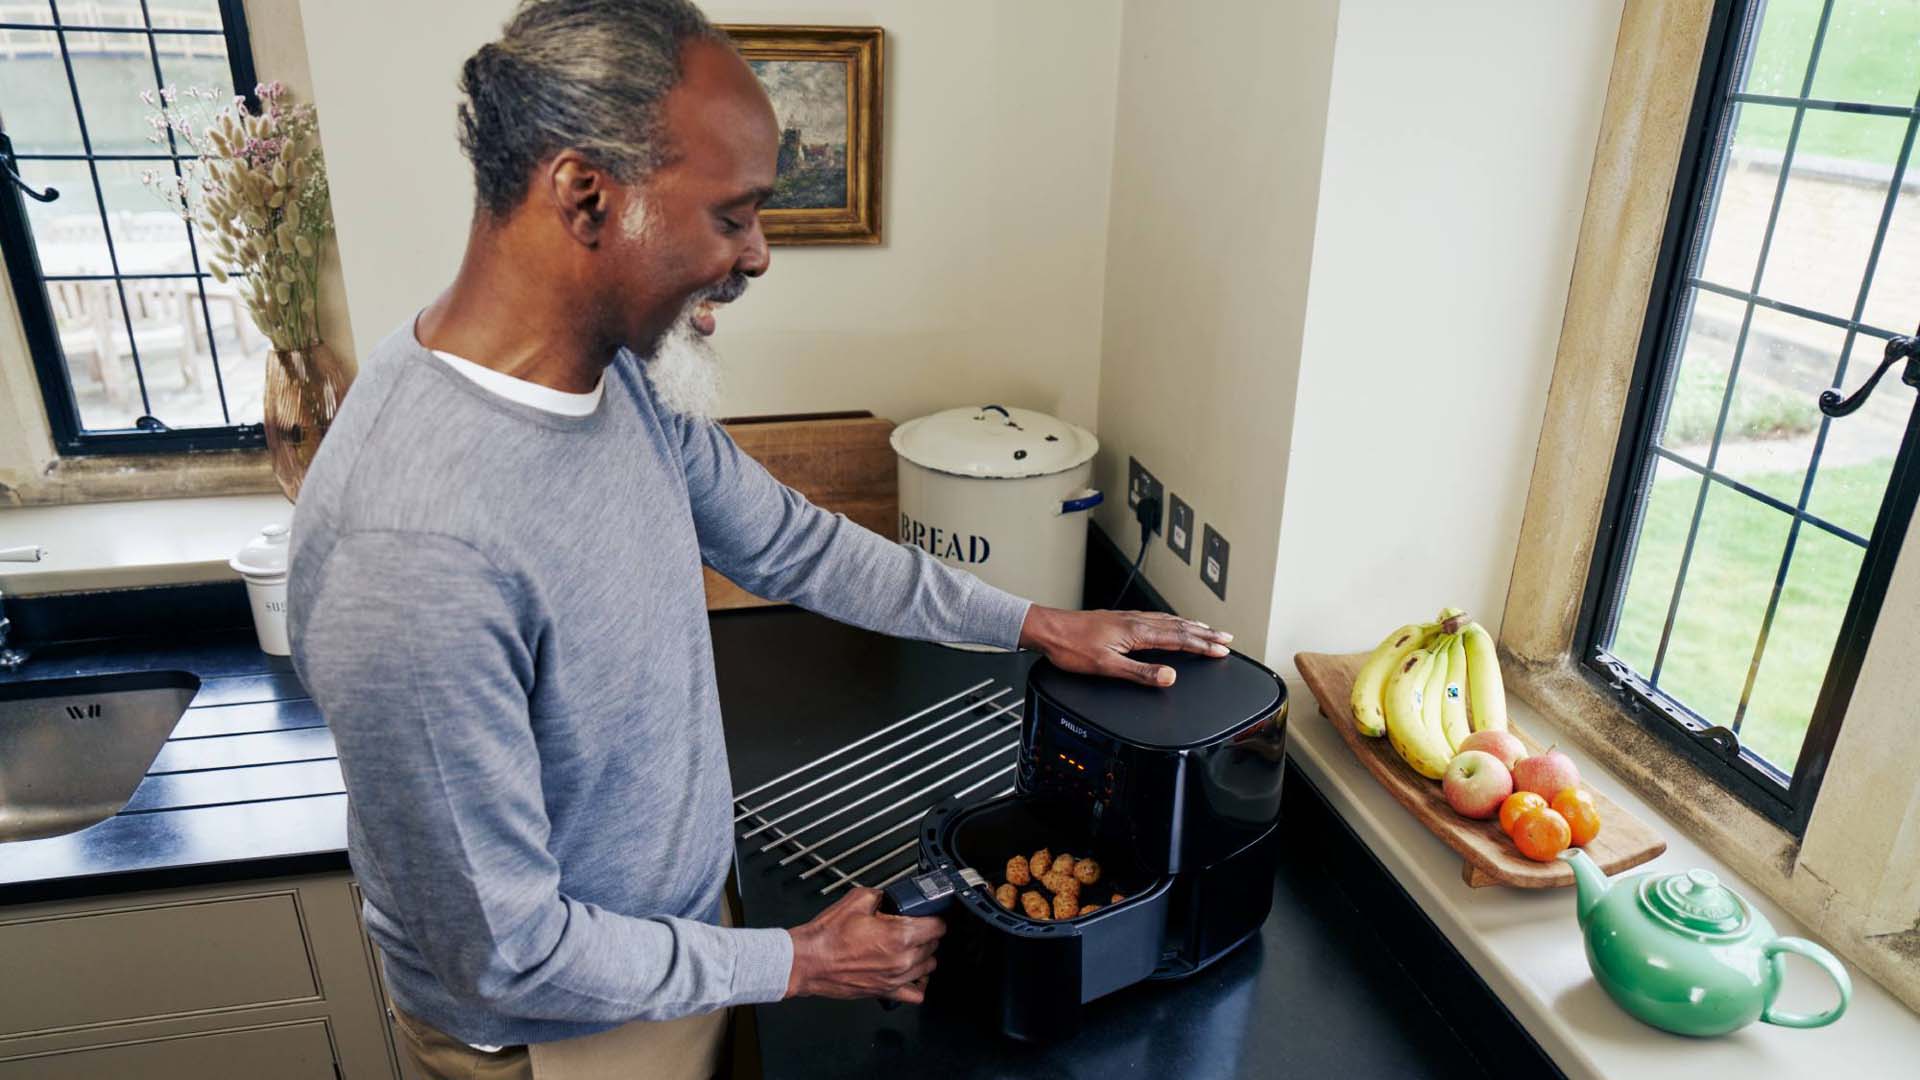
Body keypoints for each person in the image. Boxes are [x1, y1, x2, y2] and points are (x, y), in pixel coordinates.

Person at [286, 2, 1231, 1077]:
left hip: (694, 946)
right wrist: (799, 962)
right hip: (566, 1041)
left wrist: (1033, 621)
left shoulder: (614, 379)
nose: (761, 254)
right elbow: (506, 956)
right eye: (733, 216)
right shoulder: (412, 556)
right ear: (586, 194)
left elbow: (791, 544)